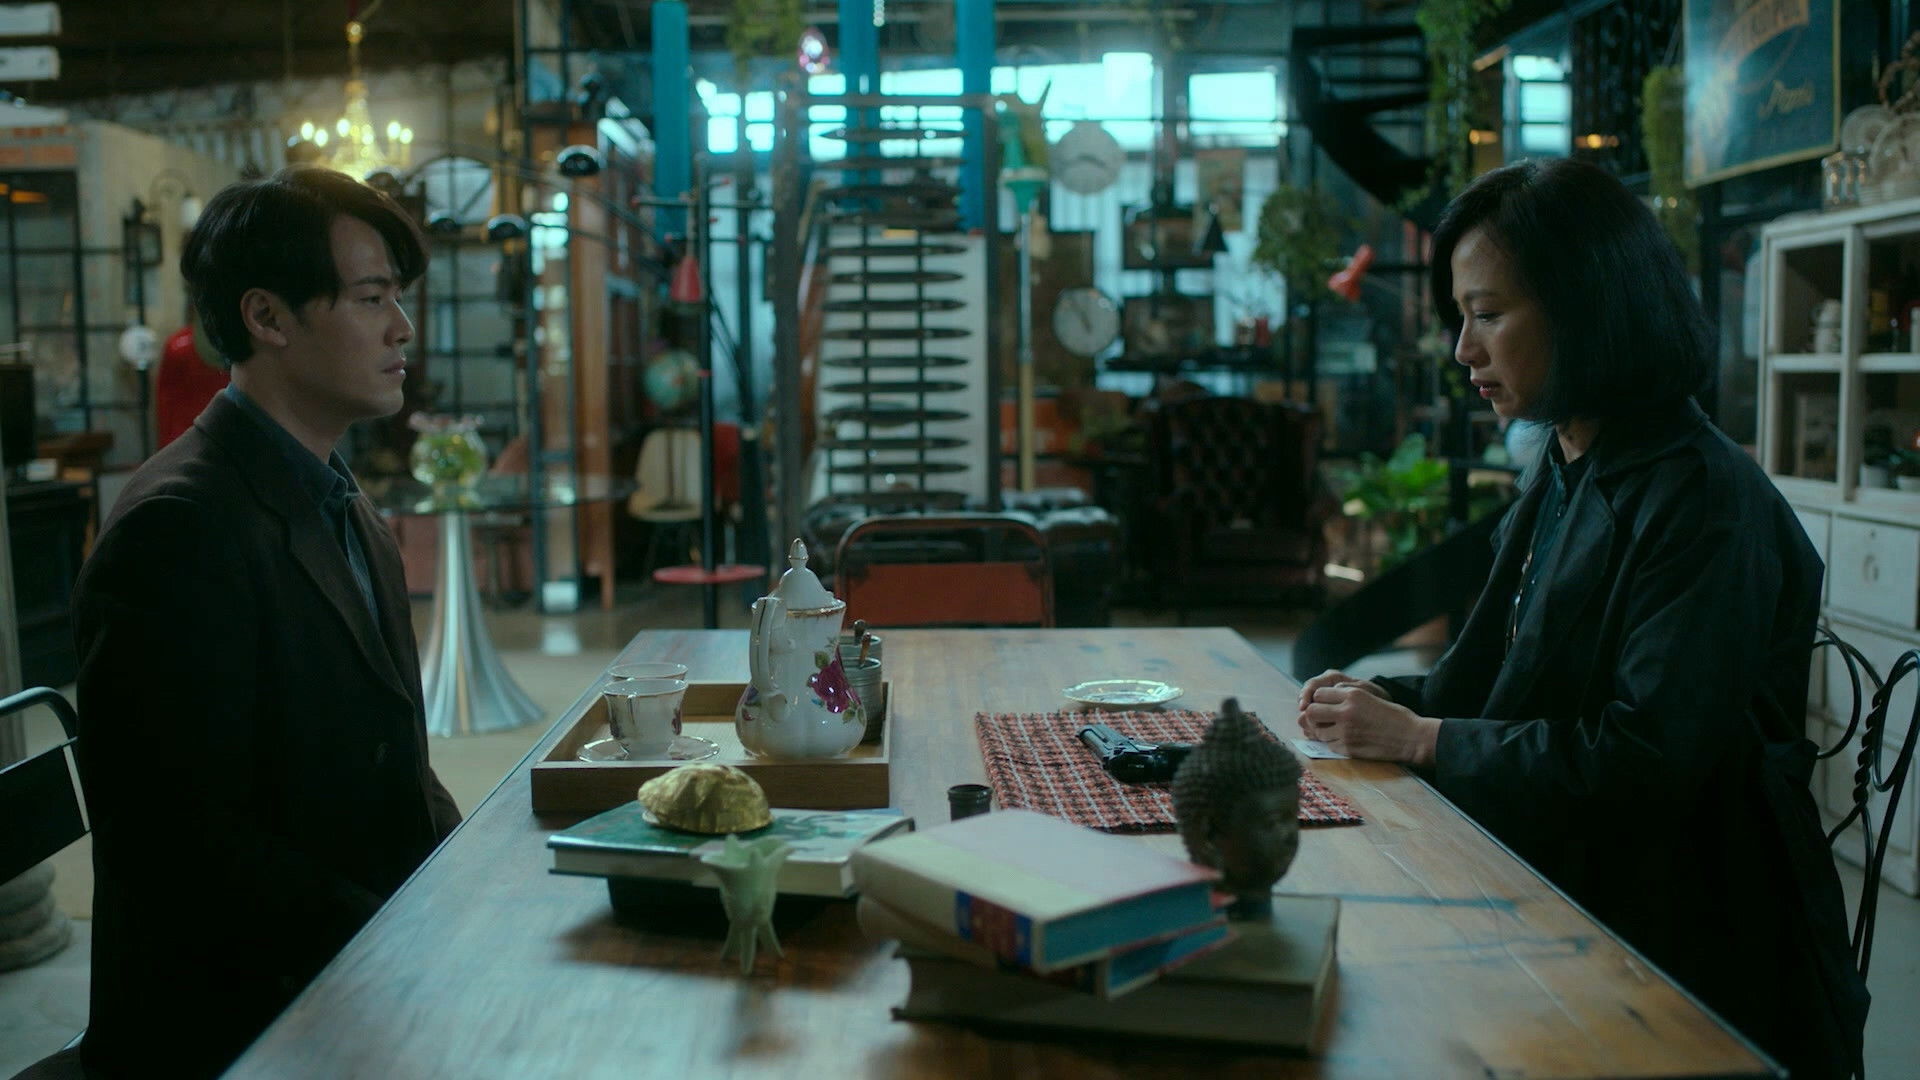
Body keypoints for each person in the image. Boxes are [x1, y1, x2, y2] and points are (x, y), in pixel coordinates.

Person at [1297, 158, 1867, 1080]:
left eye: (1488, 314)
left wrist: (1423, 737)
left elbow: (1647, 760)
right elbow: (1484, 679)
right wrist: (1378, 704)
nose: (1463, 350)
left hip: (1691, 951)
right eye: (1460, 317)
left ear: (1587, 307)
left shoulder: (1702, 497)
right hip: (1573, 883)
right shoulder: (1570, 459)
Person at [68, 167, 462, 1079]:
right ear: (267, 317)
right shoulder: (180, 526)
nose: (402, 328)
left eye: (397, 298)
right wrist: (405, 943)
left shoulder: (344, 502)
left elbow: (401, 773)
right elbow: (179, 847)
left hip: (360, 976)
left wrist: (469, 892)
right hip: (247, 1026)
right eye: (371, 298)